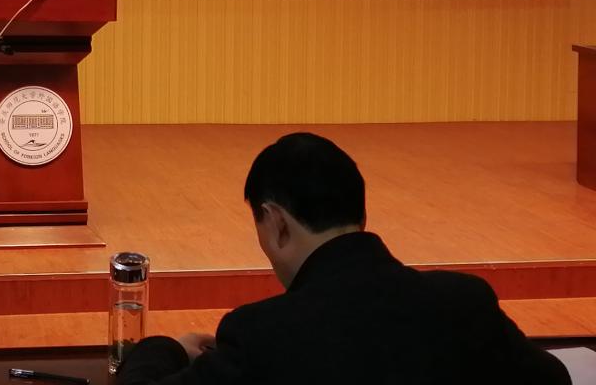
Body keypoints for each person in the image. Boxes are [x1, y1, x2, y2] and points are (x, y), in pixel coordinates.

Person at [116, 132, 570, 385]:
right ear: (359, 212)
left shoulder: (261, 336)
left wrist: (167, 349)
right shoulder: (465, 302)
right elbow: (554, 380)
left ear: (276, 223)